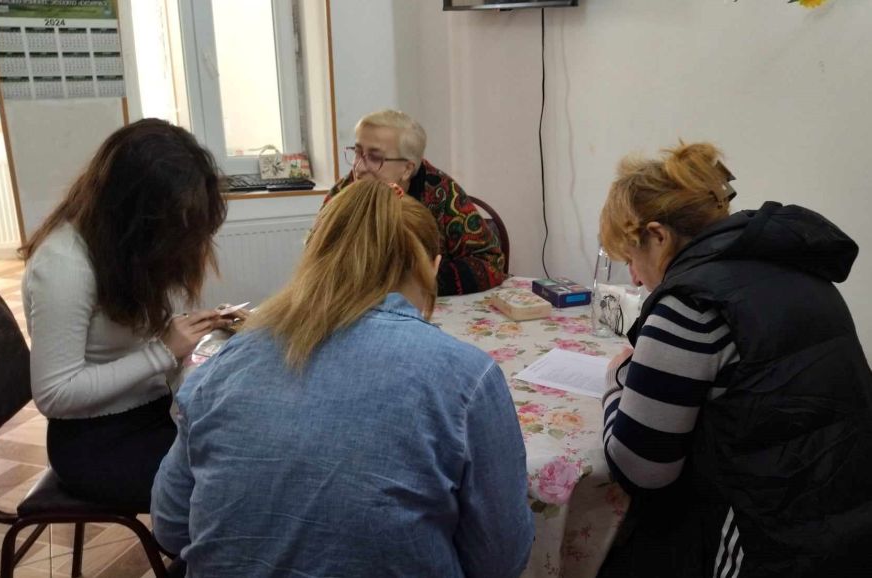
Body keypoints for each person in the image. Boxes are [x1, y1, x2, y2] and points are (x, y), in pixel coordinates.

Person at [152, 180, 534, 578]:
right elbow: (500, 560)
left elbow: (171, 526)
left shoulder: (221, 366)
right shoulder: (468, 378)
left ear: (315, 258)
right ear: (433, 268)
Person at [596, 142, 872, 577]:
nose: (633, 276)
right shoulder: (799, 269)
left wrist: (616, 380)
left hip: (767, 548)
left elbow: (641, 470)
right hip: (851, 525)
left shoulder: (689, 305)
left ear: (659, 236)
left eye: (631, 258)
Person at [20, 118, 229, 511]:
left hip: (149, 413)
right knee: (228, 482)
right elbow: (54, 394)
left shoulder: (118, 250)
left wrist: (186, 334)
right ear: (135, 214)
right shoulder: (65, 265)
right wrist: (162, 351)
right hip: (95, 442)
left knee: (247, 449)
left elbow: (125, 343)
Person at [325, 109, 506, 295]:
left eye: (375, 157)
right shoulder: (342, 193)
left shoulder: (443, 193)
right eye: (357, 152)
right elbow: (317, 262)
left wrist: (414, 282)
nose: (359, 167)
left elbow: (490, 262)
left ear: (407, 169)